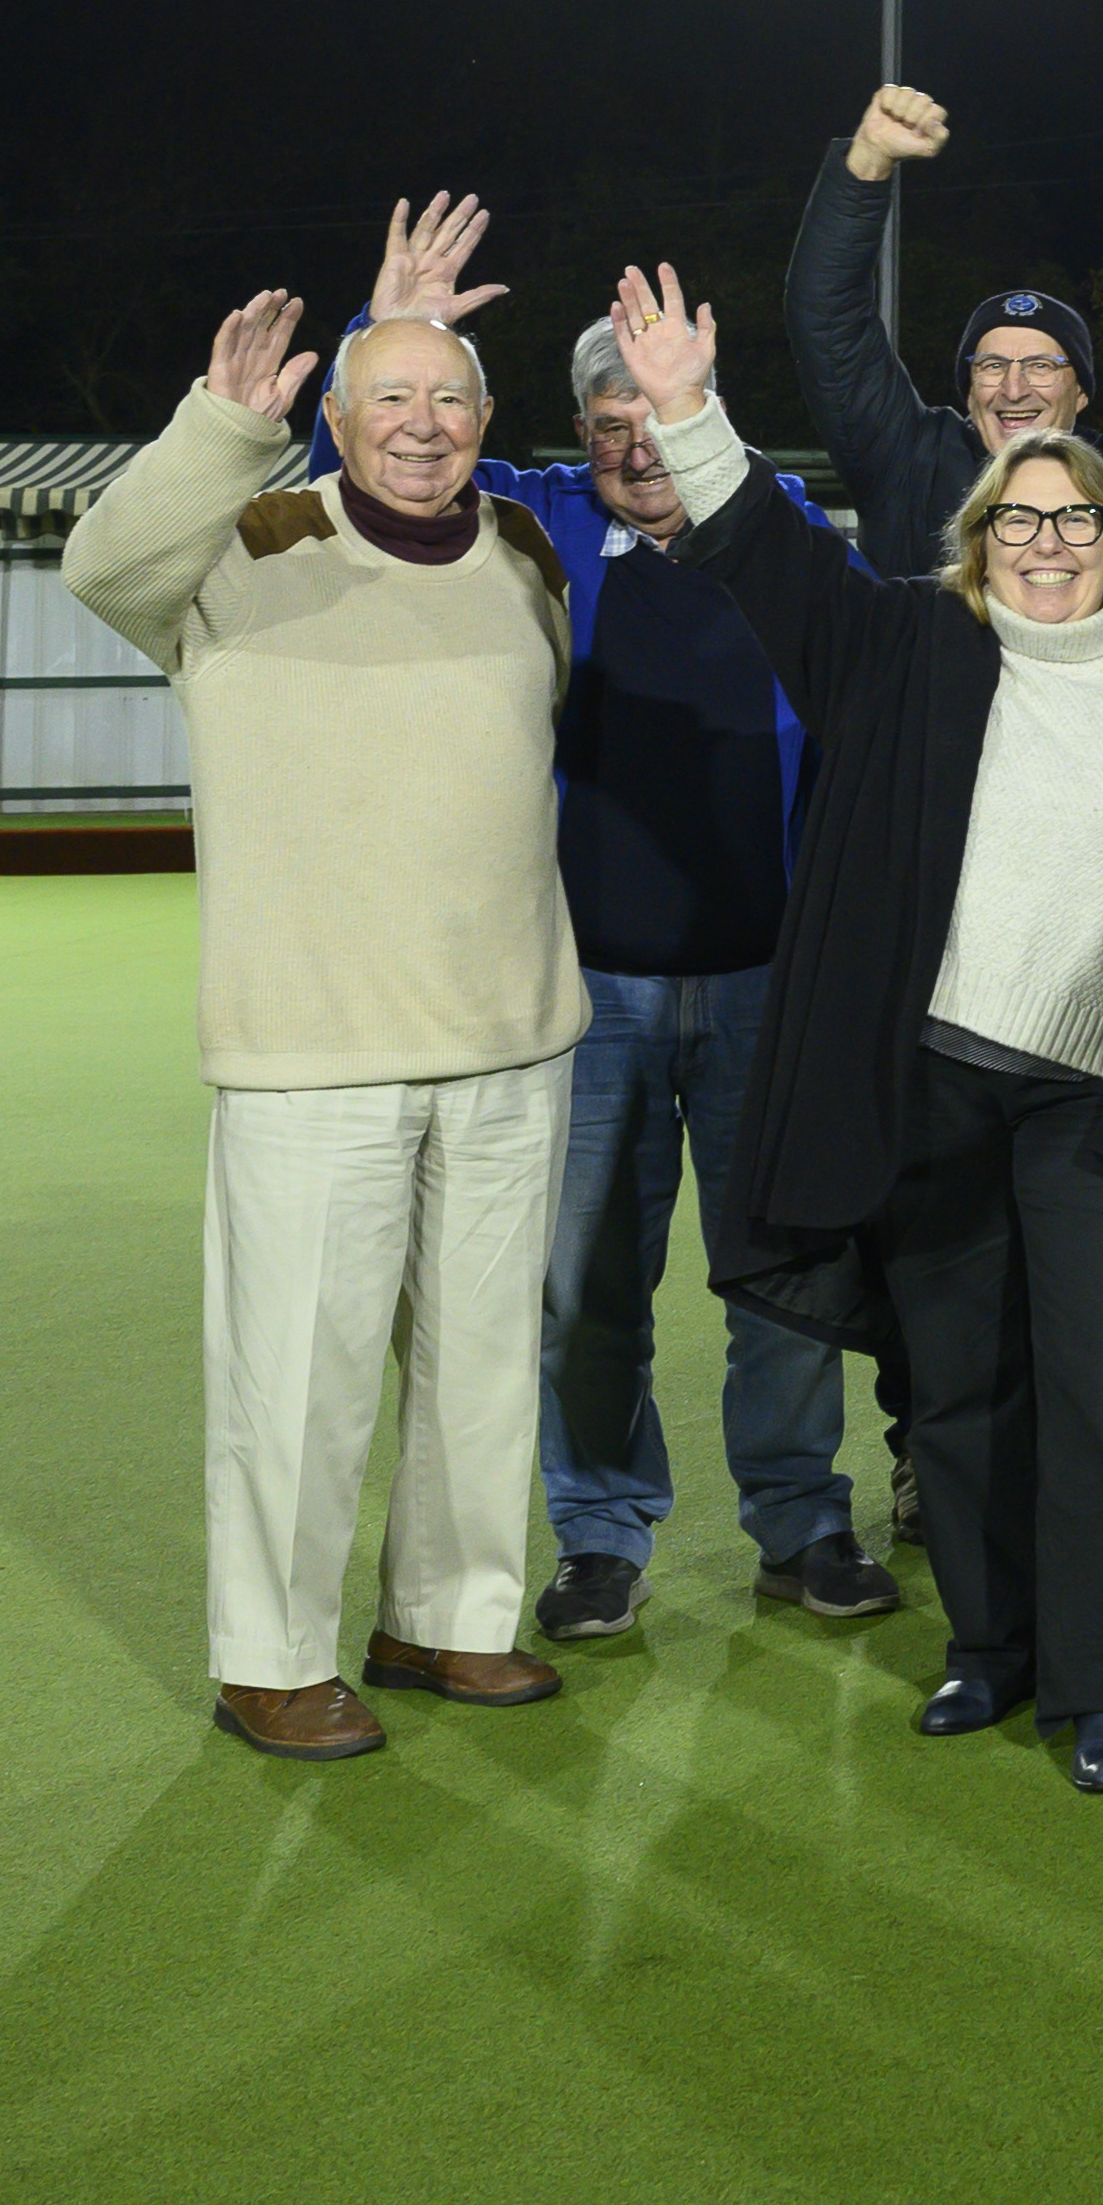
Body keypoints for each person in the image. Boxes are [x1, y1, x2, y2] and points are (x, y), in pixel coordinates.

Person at [613, 267, 1103, 1794]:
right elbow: (769, 557)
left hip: (1097, 1112)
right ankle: (991, 1649)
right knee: (959, 1394)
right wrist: (689, 411)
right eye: (1020, 522)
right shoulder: (908, 652)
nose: (1048, 547)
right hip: (932, 1089)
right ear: (982, 543)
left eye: (1077, 520)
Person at [324, 195, 891, 1649]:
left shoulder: (782, 536)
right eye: (607, 416)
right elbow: (369, 471)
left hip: (767, 981)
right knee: (585, 1294)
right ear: (578, 429)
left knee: (783, 1278)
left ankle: (802, 1522)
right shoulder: (531, 524)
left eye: (657, 410)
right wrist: (391, 329)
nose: (636, 443)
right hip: (585, 996)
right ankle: (600, 1534)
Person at [64, 289, 585, 1761]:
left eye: (451, 401)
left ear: (486, 424)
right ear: (339, 423)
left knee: (482, 1365)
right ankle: (270, 1660)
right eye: (392, 400)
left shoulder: (527, 554)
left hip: (508, 1035)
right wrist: (222, 427)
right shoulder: (247, 548)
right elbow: (100, 567)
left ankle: (450, 1620)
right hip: (312, 1049)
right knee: (298, 1378)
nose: (424, 426)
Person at [787, 82, 1098, 556]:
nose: (1014, 389)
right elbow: (828, 316)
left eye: (1041, 365)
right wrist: (868, 160)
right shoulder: (909, 462)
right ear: (969, 389)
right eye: (992, 366)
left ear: (1081, 393)